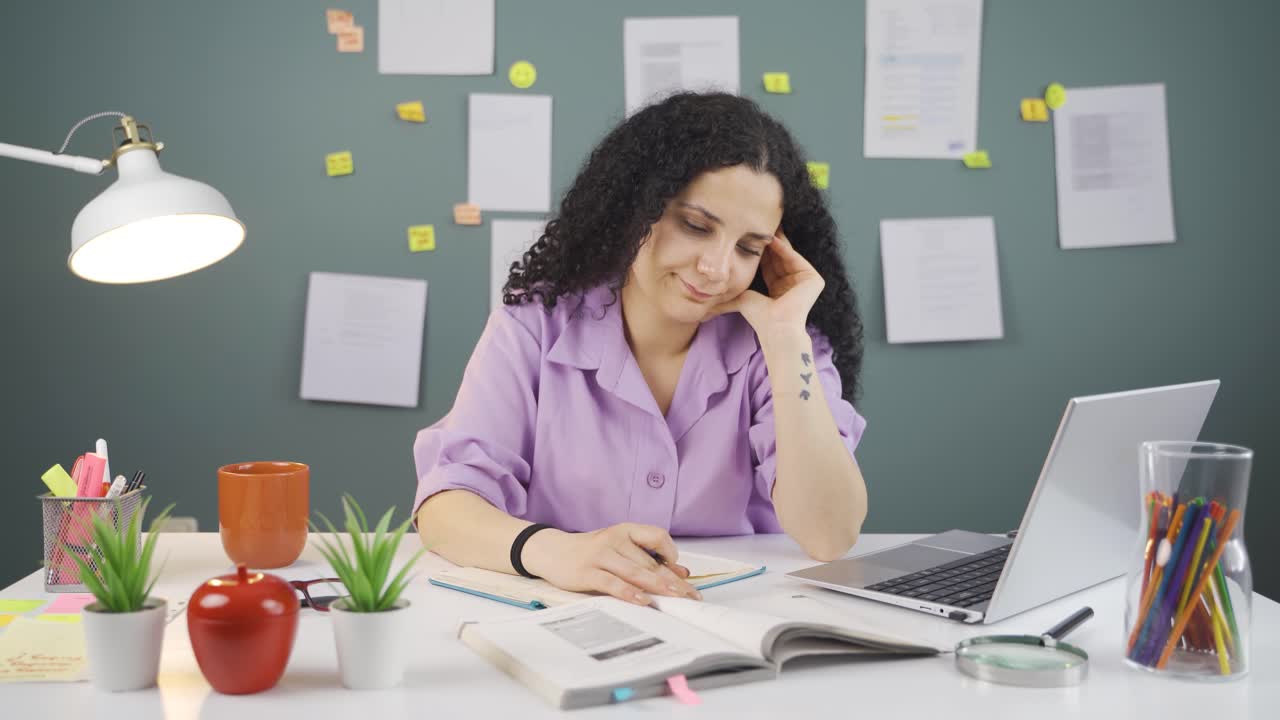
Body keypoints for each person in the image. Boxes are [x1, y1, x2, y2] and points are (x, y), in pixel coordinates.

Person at [413, 92, 867, 606]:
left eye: (748, 247)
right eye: (695, 226)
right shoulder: (535, 325)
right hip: (563, 612)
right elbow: (445, 507)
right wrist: (559, 553)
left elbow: (831, 534)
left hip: (737, 615)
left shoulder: (781, 345)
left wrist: (788, 341)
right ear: (636, 208)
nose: (716, 268)